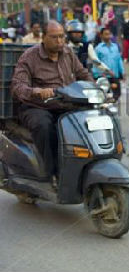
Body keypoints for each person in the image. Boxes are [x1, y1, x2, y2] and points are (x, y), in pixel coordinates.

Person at [11, 21, 93, 186]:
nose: (59, 41)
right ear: (43, 37)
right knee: (44, 126)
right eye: (54, 37)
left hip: (66, 104)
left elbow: (82, 73)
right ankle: (52, 173)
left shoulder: (68, 53)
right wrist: (37, 91)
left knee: (87, 123)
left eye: (62, 37)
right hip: (37, 106)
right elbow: (17, 87)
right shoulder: (29, 57)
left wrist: (95, 87)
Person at [94, 28, 125, 102]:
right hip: (104, 77)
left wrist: (122, 71)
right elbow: (96, 63)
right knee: (105, 96)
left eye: (109, 34)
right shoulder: (98, 48)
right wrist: (98, 75)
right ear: (101, 36)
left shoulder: (115, 47)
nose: (108, 36)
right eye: (106, 34)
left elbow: (119, 60)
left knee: (117, 94)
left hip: (115, 75)